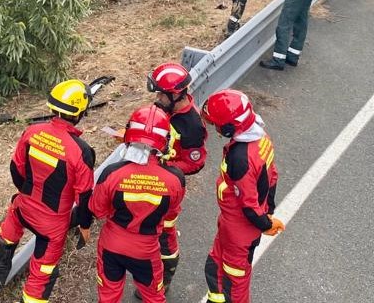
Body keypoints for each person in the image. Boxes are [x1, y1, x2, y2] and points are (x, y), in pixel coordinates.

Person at [0, 79, 97, 303]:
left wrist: (28, 194)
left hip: (23, 208)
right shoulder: (82, 151)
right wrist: (85, 226)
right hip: (52, 226)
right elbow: (85, 196)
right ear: (80, 112)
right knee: (43, 275)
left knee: (9, 231)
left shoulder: (32, 132)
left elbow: (16, 169)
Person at [92, 105, 186, 303]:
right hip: (146, 250)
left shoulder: (112, 172)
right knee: (153, 297)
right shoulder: (175, 179)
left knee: (108, 296)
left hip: (112, 244)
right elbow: (170, 213)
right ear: (166, 140)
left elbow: (97, 209)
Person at [200, 89, 284, 303]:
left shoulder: (241, 158)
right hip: (231, 224)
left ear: (230, 127)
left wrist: (265, 223)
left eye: (217, 125)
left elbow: (248, 204)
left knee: (234, 282)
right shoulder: (261, 137)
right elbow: (272, 175)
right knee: (214, 267)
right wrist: (269, 210)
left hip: (240, 229)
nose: (216, 130)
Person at [139, 62, 208, 298]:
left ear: (176, 94)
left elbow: (195, 162)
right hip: (150, 174)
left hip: (168, 185)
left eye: (161, 93)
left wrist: (167, 169)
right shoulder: (165, 108)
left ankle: (164, 278)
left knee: (165, 233)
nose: (157, 97)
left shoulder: (192, 126)